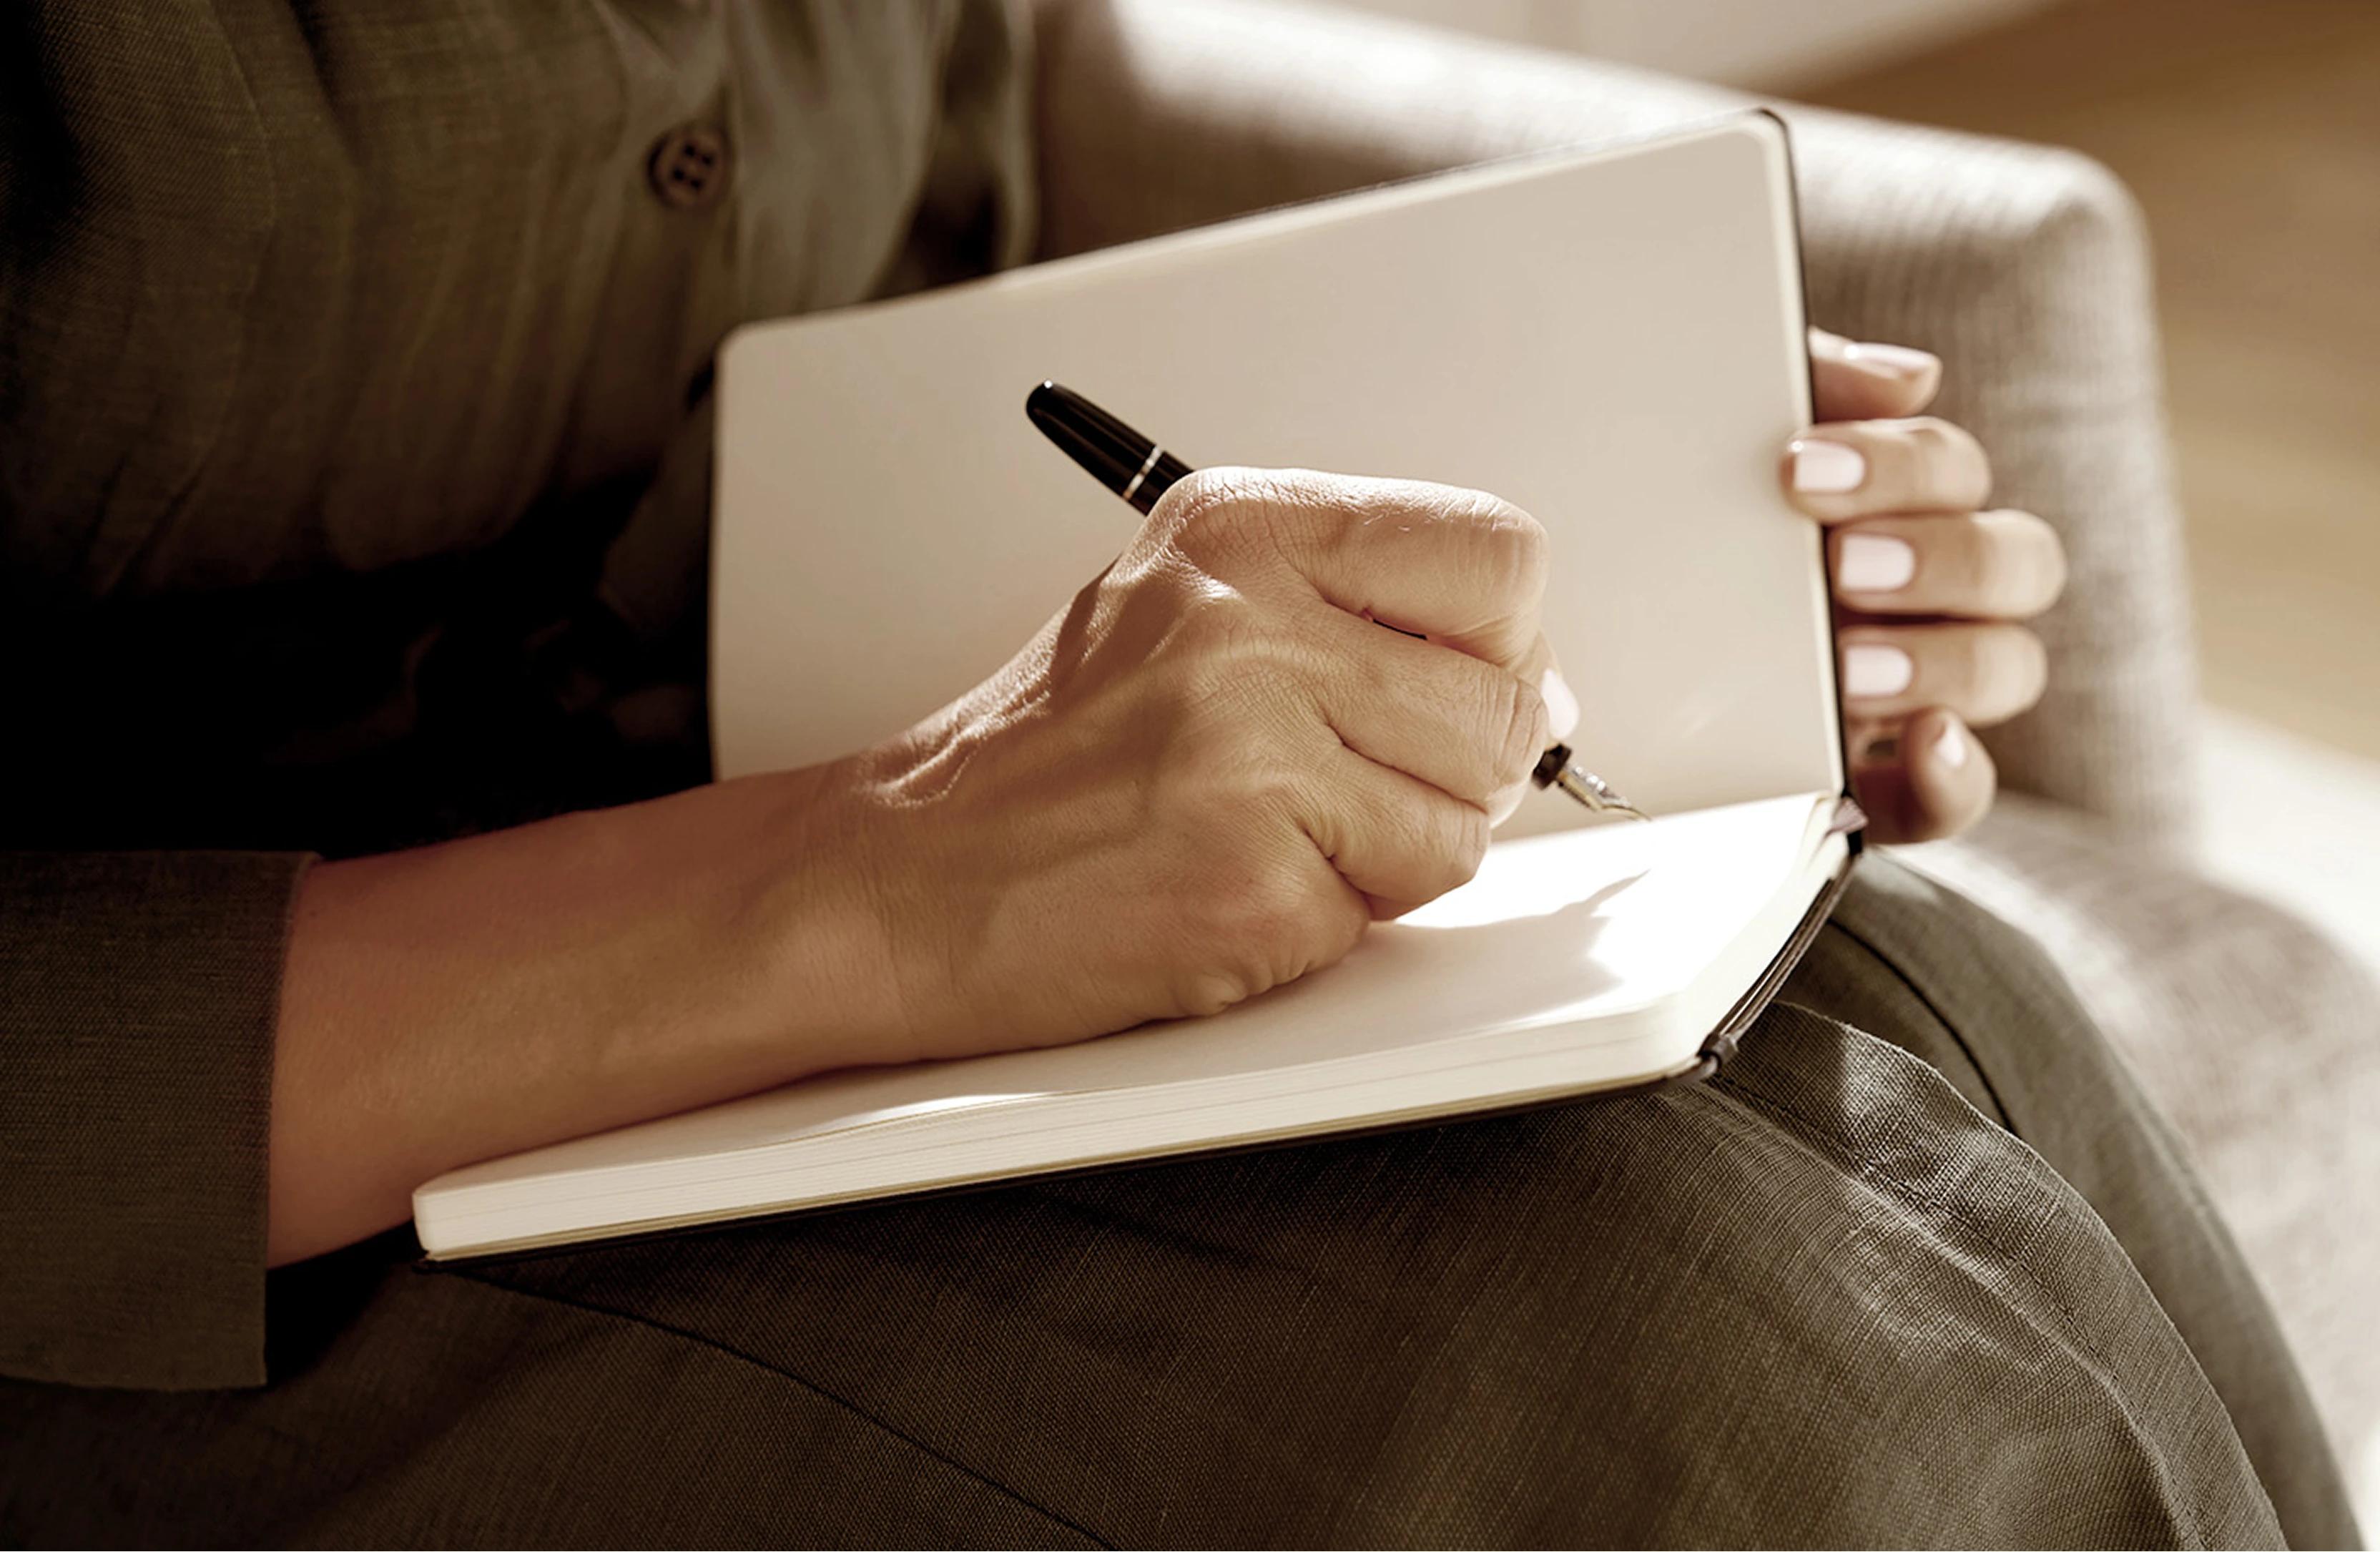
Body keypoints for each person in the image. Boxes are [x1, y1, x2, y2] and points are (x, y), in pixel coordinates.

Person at [0, 2, 2357, 1546]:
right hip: (177, 1227)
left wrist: (1624, 537)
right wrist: (873, 872)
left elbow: (934, 292)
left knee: (1943, 1027)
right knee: (1733, 1408)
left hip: (728, 805)